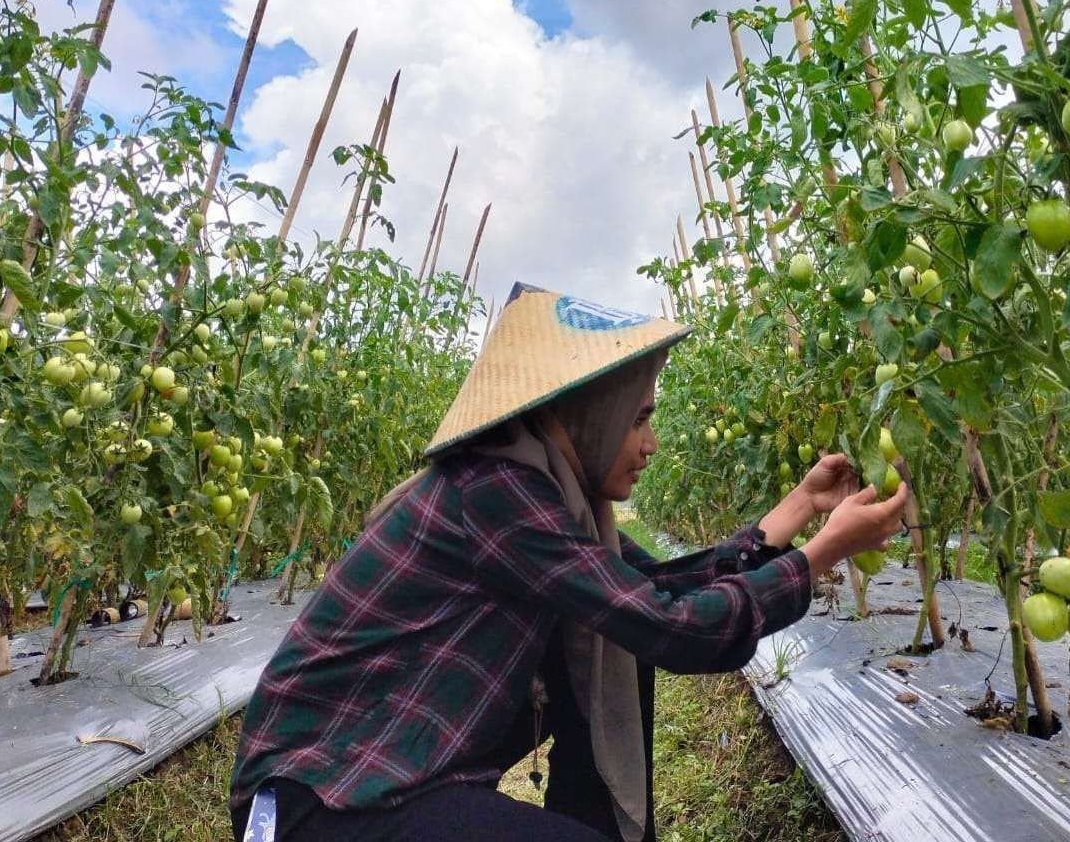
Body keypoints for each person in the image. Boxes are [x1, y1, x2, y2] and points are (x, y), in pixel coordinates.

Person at [228, 283, 907, 842]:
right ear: (593, 418)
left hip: (391, 773)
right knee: (630, 638)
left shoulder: (547, 493)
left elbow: (650, 590)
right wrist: (823, 555)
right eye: (638, 418)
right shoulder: (498, 492)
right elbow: (674, 627)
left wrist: (798, 508)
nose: (652, 443)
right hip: (317, 797)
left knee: (617, 638)